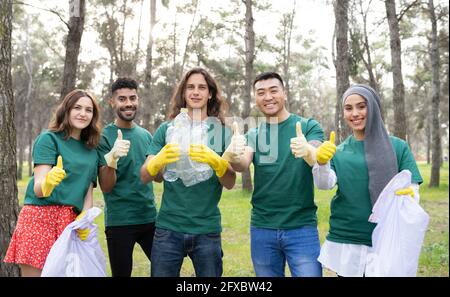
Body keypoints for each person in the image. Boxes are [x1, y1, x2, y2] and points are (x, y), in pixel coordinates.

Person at [312, 84, 423, 277]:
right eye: (348, 108)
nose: (355, 113)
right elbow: (325, 184)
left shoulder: (398, 147)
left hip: (387, 240)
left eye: (362, 106)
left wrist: (411, 196)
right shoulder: (338, 151)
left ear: (373, 107)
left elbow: (413, 189)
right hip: (349, 240)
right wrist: (321, 163)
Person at [140, 67, 236, 277]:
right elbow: (146, 175)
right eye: (190, 87)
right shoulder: (167, 129)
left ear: (210, 94)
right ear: (183, 93)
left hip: (206, 228)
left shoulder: (221, 132)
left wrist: (216, 162)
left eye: (202, 87)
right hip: (168, 228)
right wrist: (159, 160)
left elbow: (229, 182)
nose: (195, 92)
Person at [229, 72, 326, 277]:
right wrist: (232, 154)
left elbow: (318, 157)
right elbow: (242, 163)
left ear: (285, 93)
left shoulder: (308, 127)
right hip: (263, 228)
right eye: (261, 93)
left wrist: (308, 150)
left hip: (301, 227)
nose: (268, 97)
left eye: (273, 90)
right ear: (256, 98)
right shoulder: (253, 135)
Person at [4, 89, 101, 277]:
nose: (83, 113)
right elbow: (39, 189)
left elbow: (87, 193)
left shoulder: (91, 150)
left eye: (88, 110)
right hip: (40, 218)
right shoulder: (49, 139)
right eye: (77, 108)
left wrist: (84, 219)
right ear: (66, 110)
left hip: (69, 223)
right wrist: (48, 182)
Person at [96, 77, 157, 277]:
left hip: (149, 218)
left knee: (166, 271)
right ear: (112, 102)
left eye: (132, 98)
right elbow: (106, 186)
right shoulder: (104, 137)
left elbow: (157, 177)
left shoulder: (146, 136)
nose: (128, 103)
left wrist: (161, 162)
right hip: (120, 221)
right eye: (122, 99)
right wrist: (112, 159)